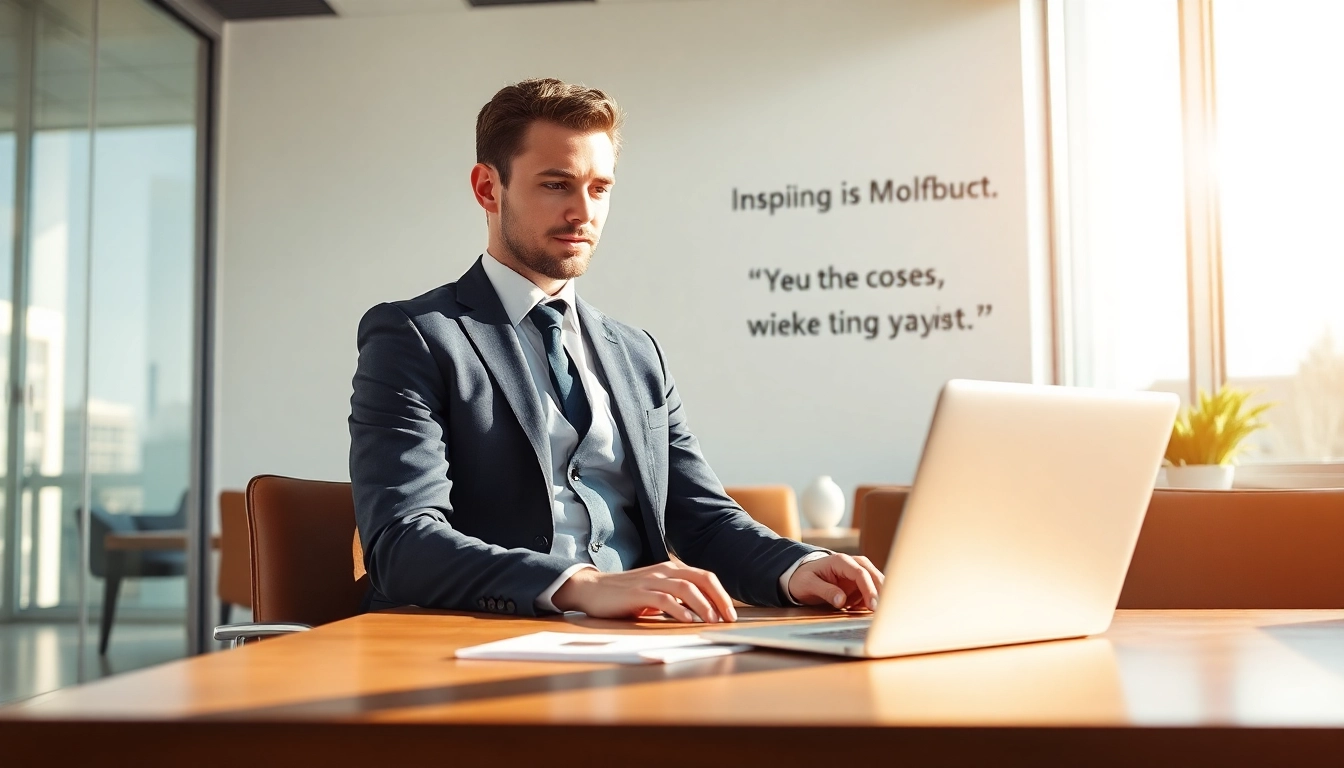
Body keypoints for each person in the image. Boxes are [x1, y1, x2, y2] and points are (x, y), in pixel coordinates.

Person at [349, 78, 883, 622]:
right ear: (489, 188)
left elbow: (702, 519)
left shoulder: (635, 353)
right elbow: (403, 541)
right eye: (556, 185)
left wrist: (801, 567)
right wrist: (577, 585)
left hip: (640, 642)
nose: (583, 212)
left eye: (599, 188)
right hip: (476, 645)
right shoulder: (414, 335)